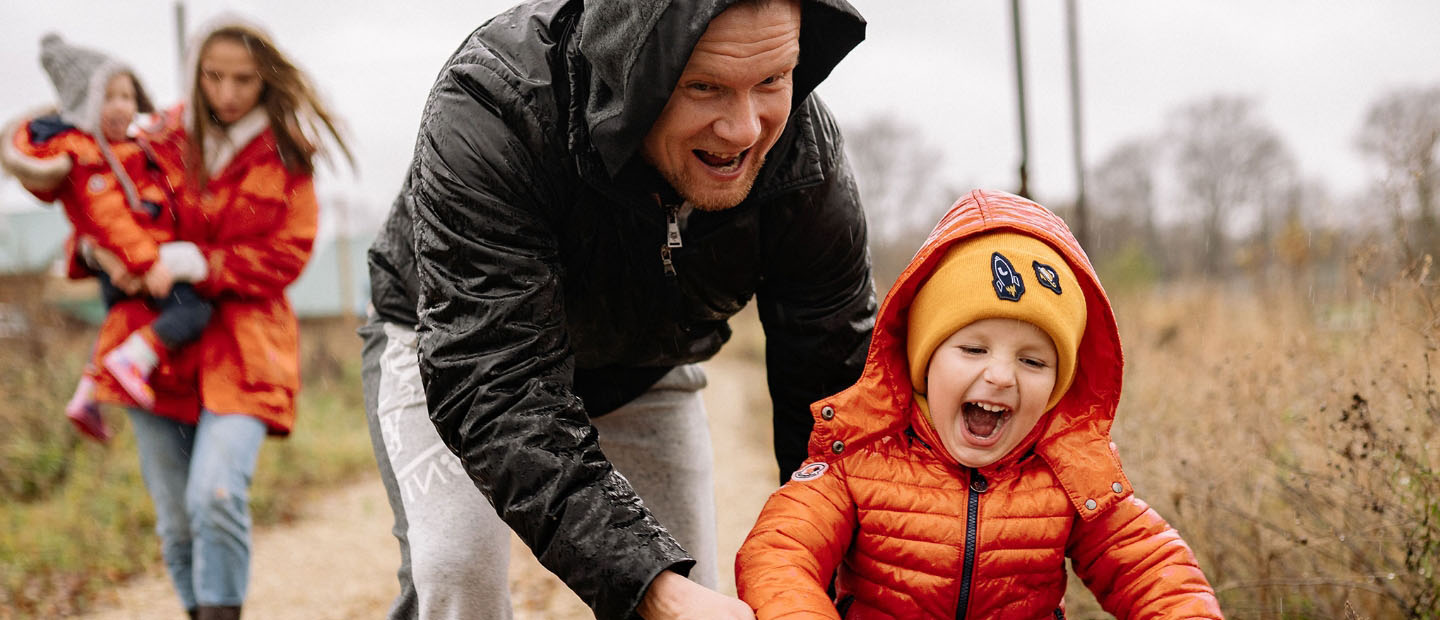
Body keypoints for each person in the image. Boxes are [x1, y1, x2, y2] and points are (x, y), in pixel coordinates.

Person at [362, 0, 873, 618]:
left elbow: (831, 399)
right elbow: (498, 385)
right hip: (458, 345)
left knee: (698, 586)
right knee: (456, 571)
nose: (743, 129)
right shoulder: (491, 106)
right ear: (630, 69)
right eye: (703, 86)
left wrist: (826, 585)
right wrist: (650, 590)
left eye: (772, 80)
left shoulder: (803, 157)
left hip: (642, 364)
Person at [735, 189, 1223, 618]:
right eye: (973, 349)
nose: (1001, 375)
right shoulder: (863, 456)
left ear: (1059, 385)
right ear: (923, 359)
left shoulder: (1070, 474)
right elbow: (779, 554)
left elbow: (1154, 569)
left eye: (1034, 362)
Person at [79, 16, 351, 620]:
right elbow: (100, 196)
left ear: (267, 79)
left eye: (244, 80)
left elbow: (287, 256)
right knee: (176, 523)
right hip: (154, 351)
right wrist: (99, 249)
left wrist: (200, 263)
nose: (227, 93)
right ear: (196, 75)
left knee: (217, 496)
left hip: (247, 351)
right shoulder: (157, 136)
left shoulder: (288, 155)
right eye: (214, 77)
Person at [0, 34, 212, 442]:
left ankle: (88, 394)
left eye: (127, 95)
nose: (122, 107)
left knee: (124, 322)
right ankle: (133, 362)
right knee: (192, 312)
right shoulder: (90, 157)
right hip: (137, 260)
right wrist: (147, 264)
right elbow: (110, 219)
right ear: (84, 105)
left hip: (135, 257)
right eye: (109, 97)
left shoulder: (130, 148)